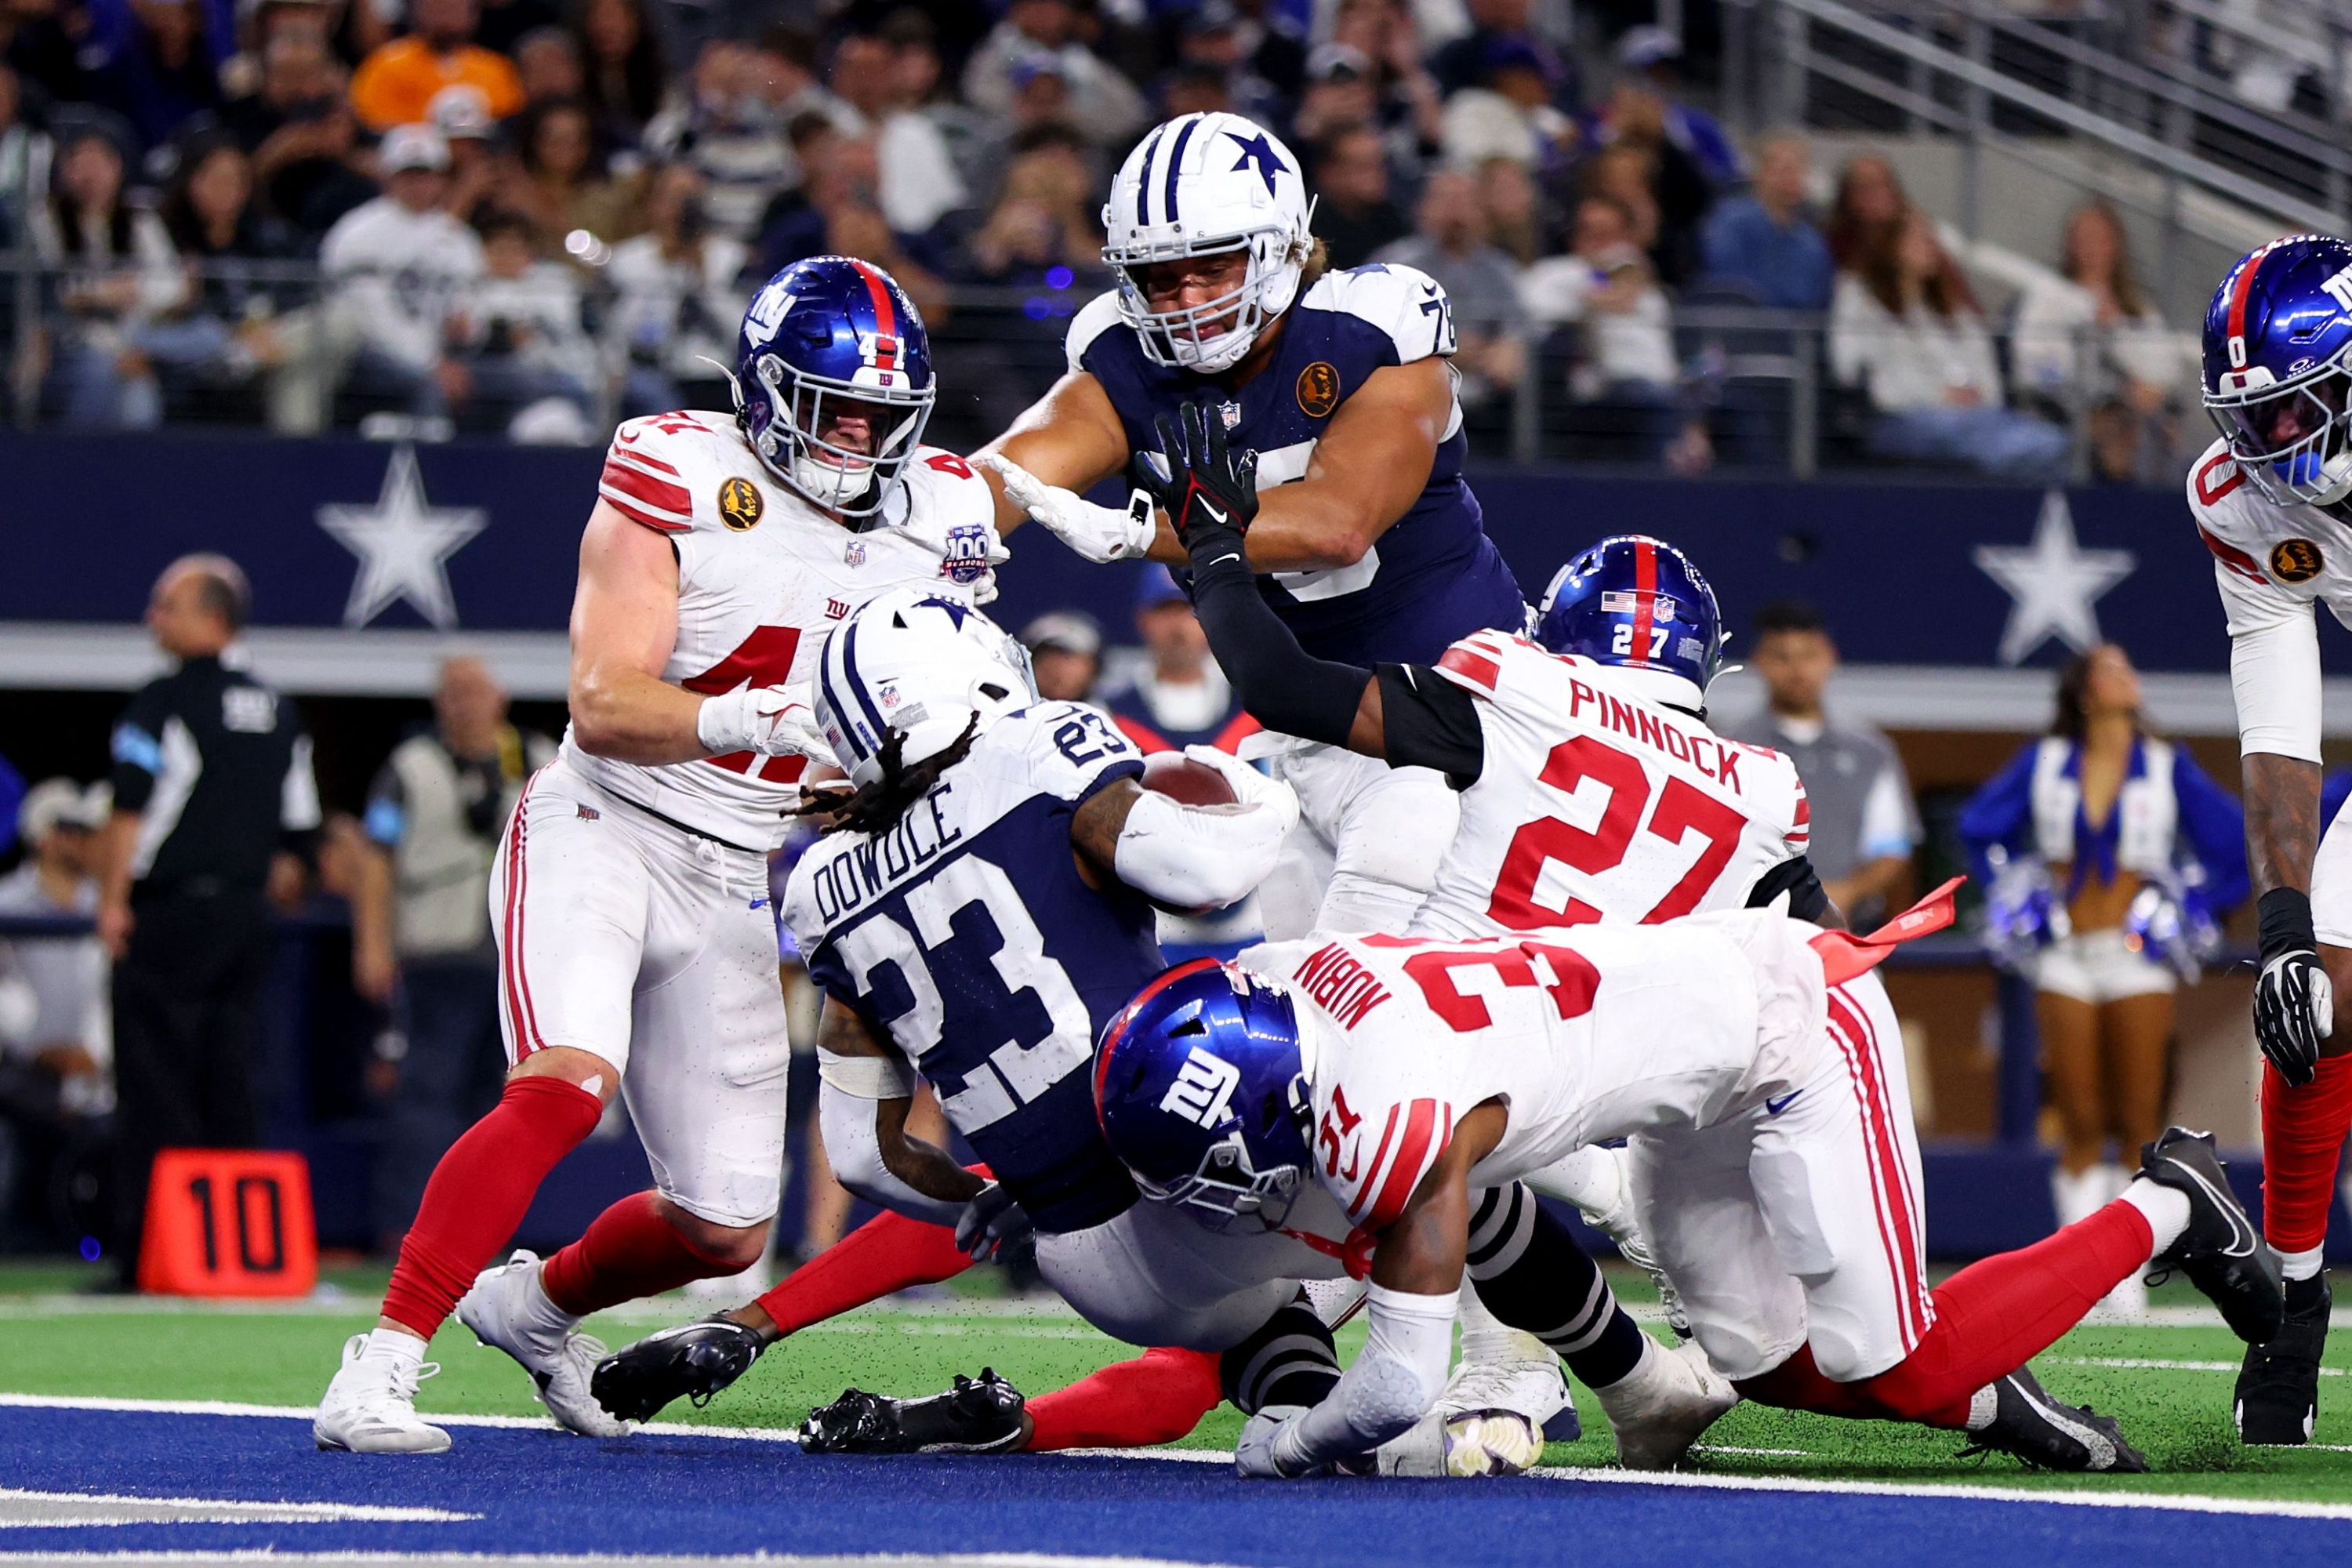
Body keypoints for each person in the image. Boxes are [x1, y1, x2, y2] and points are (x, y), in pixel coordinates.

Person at [310, 254, 1007, 1454]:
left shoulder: (941, 513)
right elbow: (601, 698)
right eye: (828, 405)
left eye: (875, 415)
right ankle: (378, 1365)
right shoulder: (678, 466)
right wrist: (751, 720)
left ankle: (529, 1307)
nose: (852, 437)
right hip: (607, 825)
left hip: (743, 870)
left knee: (725, 1229)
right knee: (563, 1089)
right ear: (762, 390)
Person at [1090, 897, 2283, 1478]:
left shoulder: (1391, 1116)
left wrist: (1288, 1443)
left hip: (1786, 1029)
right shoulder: (1284, 980)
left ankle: (2172, 1201)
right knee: (1770, 1361)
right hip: (1682, 1067)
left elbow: (1397, 1382)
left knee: (1894, 1360)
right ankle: (1992, 1399)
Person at [2183, 232, 2352, 1445]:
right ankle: (2296, 1303)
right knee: (2315, 1002)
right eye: (2248, 418)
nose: (2266, 448)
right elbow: (2280, 709)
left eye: (2292, 412)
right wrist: (2281, 926)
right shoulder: (2242, 499)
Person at [1958, 644, 2247, 1315]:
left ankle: (2126, 1278)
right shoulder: (2046, 760)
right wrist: (2013, 889)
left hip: (2137, 954)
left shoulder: (2169, 765)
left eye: (2128, 665)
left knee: (2138, 1118)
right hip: (2064, 952)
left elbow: (2231, 847)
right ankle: (2076, 1270)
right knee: (2079, 1115)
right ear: (2085, 692)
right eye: (2112, 668)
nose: (2129, 675)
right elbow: (1978, 828)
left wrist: (2192, 905)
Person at [94, 554, 321, 1290]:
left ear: (212, 618)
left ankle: (145, 1253)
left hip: (168, 915)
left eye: (167, 606)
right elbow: (300, 831)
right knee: (230, 1076)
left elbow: (131, 804)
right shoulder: (279, 708)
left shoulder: (160, 704)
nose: (152, 619)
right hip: (245, 918)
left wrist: (112, 900)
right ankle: (242, 1249)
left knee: (153, 1080)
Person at [350, 656, 555, 1246]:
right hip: (437, 951)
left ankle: (483, 1230)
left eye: (474, 691)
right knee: (425, 1092)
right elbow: (375, 857)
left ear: (501, 697)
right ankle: (409, 1226)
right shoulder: (409, 767)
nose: (462, 704)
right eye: (451, 693)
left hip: (519, 958)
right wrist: (372, 944)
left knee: (505, 1100)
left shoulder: (539, 758)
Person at [1830, 208, 2069, 483]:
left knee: (2032, 440)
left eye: (1931, 239)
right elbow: (1853, 369)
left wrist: (1977, 393)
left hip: (1970, 417)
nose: (1930, 246)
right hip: (1898, 417)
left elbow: (1983, 367)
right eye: (1918, 238)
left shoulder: (1950, 308)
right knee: (1967, 431)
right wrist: (1938, 395)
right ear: (1890, 244)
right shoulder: (1861, 298)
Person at [1723, 601, 1920, 931]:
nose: (1797, 670)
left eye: (1808, 656)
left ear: (1830, 657)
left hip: (1849, 930)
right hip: (1752, 929)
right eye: (1782, 657)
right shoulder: (1731, 748)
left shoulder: (1869, 751)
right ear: (1758, 662)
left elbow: (1891, 846)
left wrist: (1847, 892)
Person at [2011, 201, 2196, 485]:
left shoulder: (2136, 306)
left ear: (2116, 246)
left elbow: (2166, 372)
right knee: (2137, 429)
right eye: (2083, 239)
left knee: (2153, 423)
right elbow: (2035, 365)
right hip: (2070, 410)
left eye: (2100, 239)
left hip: (2133, 411)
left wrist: (2116, 330)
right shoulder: (2050, 294)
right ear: (2069, 244)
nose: (2091, 248)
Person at [316, 125, 483, 424]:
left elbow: (472, 312)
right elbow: (368, 318)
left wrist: (468, 329)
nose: (419, 183)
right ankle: (437, 466)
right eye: (409, 174)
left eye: (427, 173)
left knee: (535, 384)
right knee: (428, 387)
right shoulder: (356, 233)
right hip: (367, 357)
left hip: (446, 358)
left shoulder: (459, 239)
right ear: (388, 175)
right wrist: (431, 364)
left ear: (441, 179)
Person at [1519, 193, 1697, 466]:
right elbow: (1536, 312)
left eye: (1608, 233)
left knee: (1708, 401)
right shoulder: (1557, 273)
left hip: (1659, 387)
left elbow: (1659, 339)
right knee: (1653, 402)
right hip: (1597, 387)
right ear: (1576, 236)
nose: (1599, 242)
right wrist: (1595, 298)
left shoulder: (1646, 288)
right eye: (1591, 232)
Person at [33, 117, 183, 428]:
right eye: (79, 162)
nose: (91, 174)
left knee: (142, 405)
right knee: (105, 376)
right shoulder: (44, 219)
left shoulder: (139, 219)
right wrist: (103, 293)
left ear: (119, 168)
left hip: (135, 334)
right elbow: (53, 290)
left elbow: (172, 283)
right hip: (73, 340)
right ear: (64, 170)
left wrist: (135, 292)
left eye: (101, 162)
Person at [1369, 165, 1528, 410]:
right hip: (1412, 386)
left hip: (1486, 390)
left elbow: (1517, 326)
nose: (1456, 211)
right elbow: (1376, 332)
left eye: (1465, 200)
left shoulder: (1500, 269)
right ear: (1422, 207)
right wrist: (1447, 350)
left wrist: (1509, 345)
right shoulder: (1394, 265)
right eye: (1445, 199)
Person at [604, 162, 744, 417]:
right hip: (654, 372)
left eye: (690, 199)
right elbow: (621, 333)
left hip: (718, 373)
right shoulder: (628, 260)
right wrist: (664, 268)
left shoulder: (730, 257)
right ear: (654, 203)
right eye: (673, 198)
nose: (681, 209)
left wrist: (703, 280)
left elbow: (741, 332)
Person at [1699, 131, 1834, 310]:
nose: (1791, 176)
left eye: (1798, 169)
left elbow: (1816, 301)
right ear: (1759, 173)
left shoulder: (1812, 242)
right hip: (1740, 328)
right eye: (1782, 168)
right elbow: (1727, 285)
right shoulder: (1730, 222)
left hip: (1793, 333)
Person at [349, 0, 523, 132]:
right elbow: (373, 122)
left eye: (455, 8)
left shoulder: (495, 68)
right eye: (438, 7)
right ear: (418, 11)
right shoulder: (386, 65)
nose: (446, 16)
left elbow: (508, 120)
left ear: (473, 14)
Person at [1306, 124, 1407, 274]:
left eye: (1379, 164)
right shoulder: (1307, 228)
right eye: (1363, 166)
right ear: (1328, 172)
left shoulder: (1394, 221)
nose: (1376, 174)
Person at [1018, 612, 1102, 705]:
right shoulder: (1002, 715)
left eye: (1068, 657)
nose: (1059, 668)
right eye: (1048, 655)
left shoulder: (1110, 719)